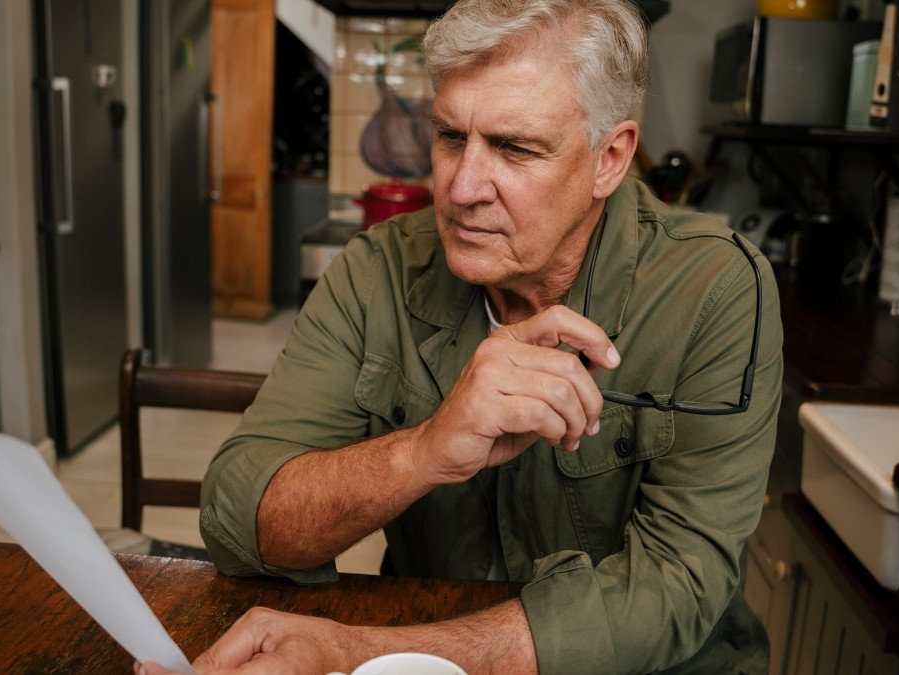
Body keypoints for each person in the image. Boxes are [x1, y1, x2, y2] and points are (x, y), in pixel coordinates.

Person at [140, 0, 782, 672]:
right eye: (450, 137)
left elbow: (677, 587)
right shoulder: (376, 271)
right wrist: (423, 449)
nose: (461, 186)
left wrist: (360, 647)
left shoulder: (715, 287)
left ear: (610, 158)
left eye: (513, 147)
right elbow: (238, 520)